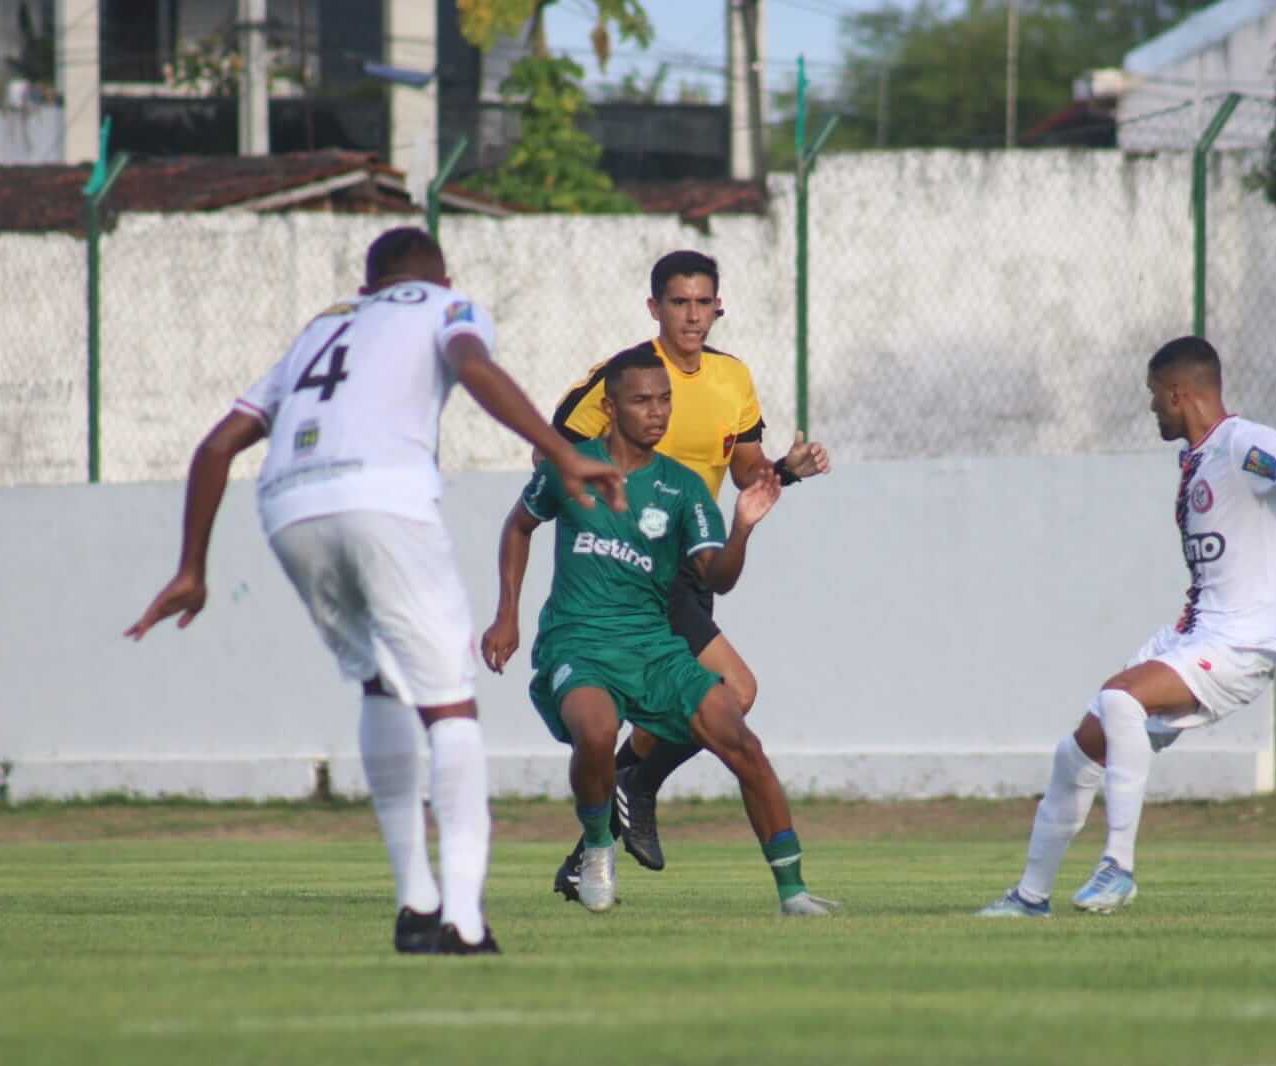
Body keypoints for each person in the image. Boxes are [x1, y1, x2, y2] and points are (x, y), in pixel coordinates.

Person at [125, 227, 626, 955]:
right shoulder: (447, 306)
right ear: (440, 277)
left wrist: (191, 567)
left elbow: (214, 447)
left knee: (379, 685)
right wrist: (559, 452)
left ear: (367, 288)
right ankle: (461, 918)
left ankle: (415, 905)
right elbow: (472, 364)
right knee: (449, 703)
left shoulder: (322, 329)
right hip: (384, 499)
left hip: (288, 508)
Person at [976, 336, 1276, 919]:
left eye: (1155, 395)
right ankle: (1029, 898)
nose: (1152, 407)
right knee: (1076, 754)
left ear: (1178, 392)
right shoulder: (1200, 455)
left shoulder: (1242, 444)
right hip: (1195, 635)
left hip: (1243, 641)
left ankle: (1118, 868)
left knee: (1120, 699)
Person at [481, 346, 837, 917]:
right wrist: (507, 614)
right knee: (596, 733)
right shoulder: (571, 467)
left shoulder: (685, 489)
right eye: (642, 400)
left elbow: (716, 578)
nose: (658, 411)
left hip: (653, 648)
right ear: (612, 406)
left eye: (665, 399)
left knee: (741, 737)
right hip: (579, 641)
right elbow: (519, 526)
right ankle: (598, 848)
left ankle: (793, 892)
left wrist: (743, 526)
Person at [545, 249, 831, 899]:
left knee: (727, 697)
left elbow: (744, 471)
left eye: (704, 302)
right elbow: (555, 446)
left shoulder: (733, 379)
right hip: (638, 569)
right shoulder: (626, 378)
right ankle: (632, 788)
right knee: (736, 689)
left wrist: (786, 469)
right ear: (655, 308)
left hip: (693, 563)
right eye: (679, 302)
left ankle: (607, 818)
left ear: (718, 306)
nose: (692, 315)